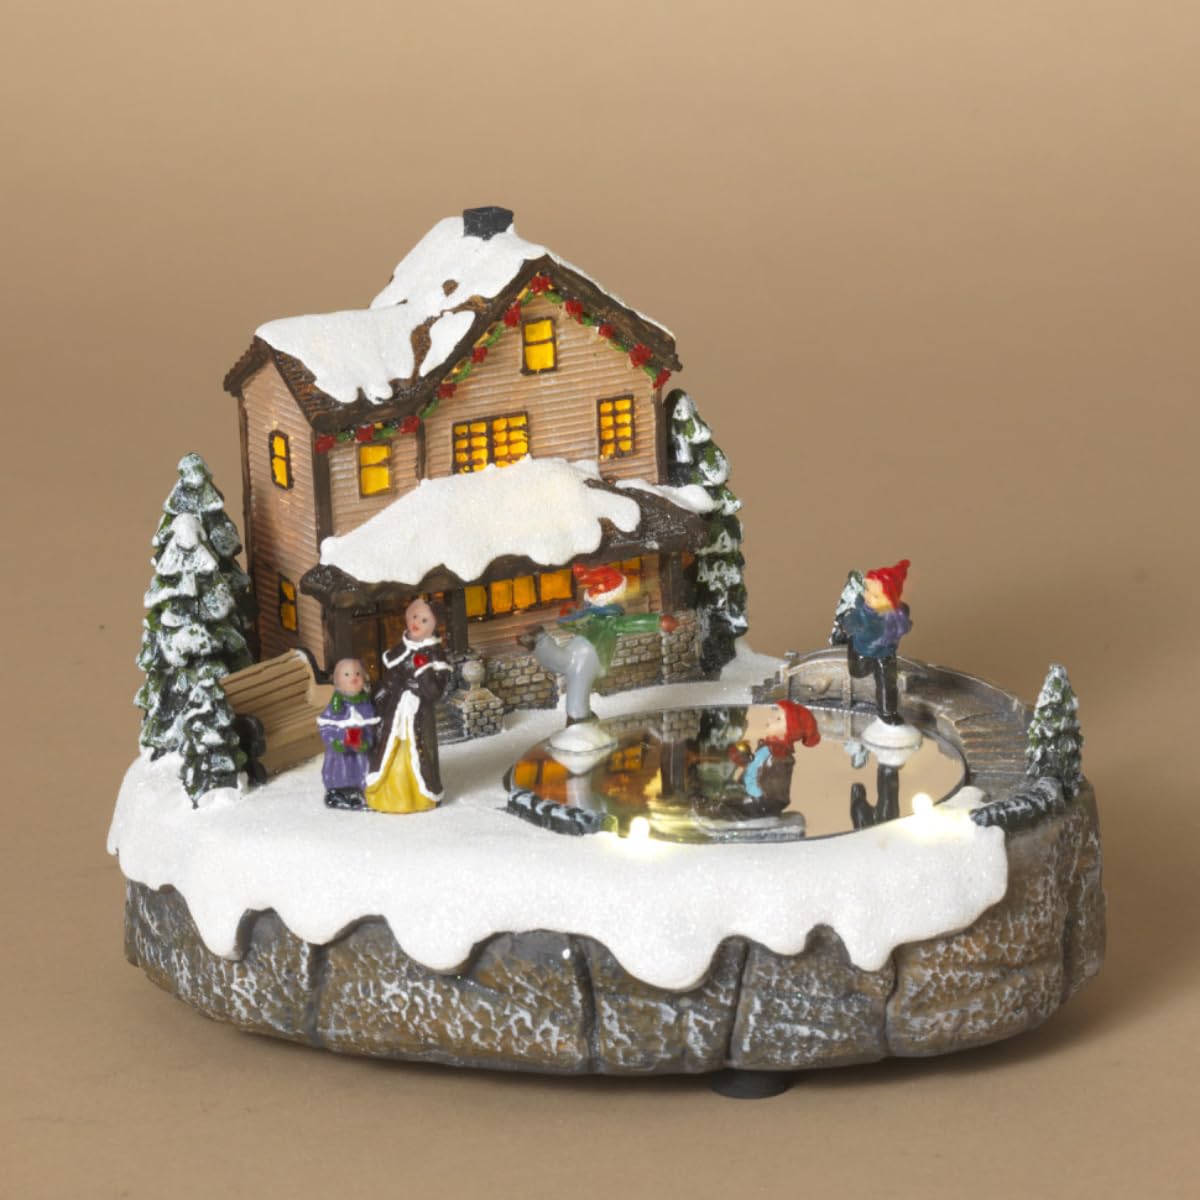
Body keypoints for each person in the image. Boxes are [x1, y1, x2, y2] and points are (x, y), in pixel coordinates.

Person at [517, 564, 678, 724]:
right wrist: (657, 621)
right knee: (574, 677)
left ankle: (538, 639)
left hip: (582, 651)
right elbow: (630, 623)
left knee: (566, 667)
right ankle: (579, 718)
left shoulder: (598, 619)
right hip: (589, 655)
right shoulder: (602, 620)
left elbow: (630, 623)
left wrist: (657, 621)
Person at [364, 597, 454, 813]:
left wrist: (423, 672)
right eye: (414, 616)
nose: (416, 623)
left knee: (418, 754)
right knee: (387, 749)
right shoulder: (401, 648)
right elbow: (391, 678)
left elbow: (434, 692)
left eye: (424, 620)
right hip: (394, 711)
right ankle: (386, 792)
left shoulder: (435, 655)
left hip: (418, 714)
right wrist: (378, 697)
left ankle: (420, 796)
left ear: (434, 625)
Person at [837, 559, 912, 725]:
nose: (868, 598)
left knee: (887, 682)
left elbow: (903, 627)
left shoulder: (898, 615)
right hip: (862, 649)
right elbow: (850, 620)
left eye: (876, 596)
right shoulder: (861, 612)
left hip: (886, 652)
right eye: (867, 591)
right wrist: (849, 626)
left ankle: (887, 712)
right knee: (857, 672)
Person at [725, 700, 821, 818]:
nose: (769, 720)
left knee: (729, 810)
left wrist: (755, 795)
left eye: (778, 719)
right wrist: (742, 757)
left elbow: (772, 782)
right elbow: (755, 767)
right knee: (724, 803)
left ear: (790, 730)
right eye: (773, 716)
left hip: (764, 802)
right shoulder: (766, 748)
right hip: (748, 794)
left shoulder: (781, 756)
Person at [317, 658, 378, 809]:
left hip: (361, 754)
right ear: (337, 681)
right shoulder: (335, 707)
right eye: (347, 674)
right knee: (341, 770)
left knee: (365, 769)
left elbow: (373, 728)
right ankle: (339, 791)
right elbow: (326, 727)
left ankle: (363, 792)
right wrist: (336, 741)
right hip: (340, 755)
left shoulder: (366, 704)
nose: (353, 678)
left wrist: (366, 742)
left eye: (357, 673)